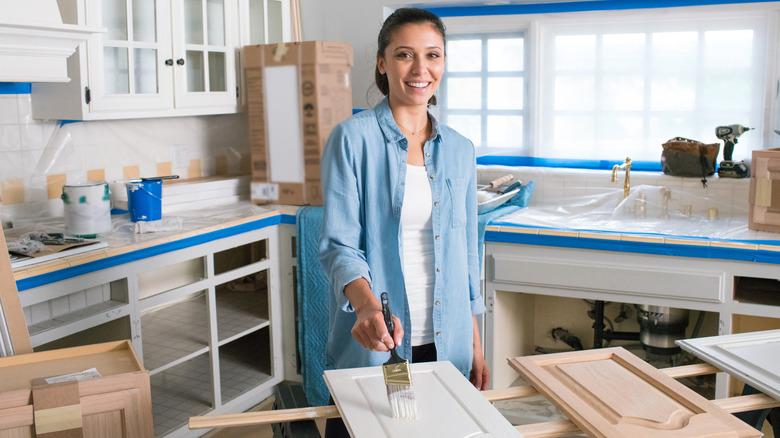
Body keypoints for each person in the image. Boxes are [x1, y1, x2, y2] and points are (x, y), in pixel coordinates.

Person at [319, 7, 488, 435]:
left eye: (433, 55)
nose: (420, 69)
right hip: (387, 340)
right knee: (390, 427)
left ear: (444, 63)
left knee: (438, 431)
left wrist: (475, 342)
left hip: (446, 340)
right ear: (382, 62)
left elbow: (467, 252)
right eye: (404, 55)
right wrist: (366, 306)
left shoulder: (460, 150)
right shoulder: (352, 140)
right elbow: (339, 245)